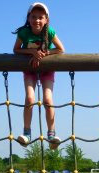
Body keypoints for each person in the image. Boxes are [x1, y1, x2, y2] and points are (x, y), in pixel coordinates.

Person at [13, 2, 65, 149]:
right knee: (30, 98)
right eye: (34, 17)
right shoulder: (24, 33)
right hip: (29, 68)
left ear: (46, 20)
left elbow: (61, 49)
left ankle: (51, 134)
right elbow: (16, 49)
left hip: (46, 69)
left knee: (48, 99)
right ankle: (27, 133)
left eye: (40, 17)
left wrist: (44, 54)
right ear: (28, 18)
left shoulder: (50, 32)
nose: (37, 20)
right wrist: (32, 52)